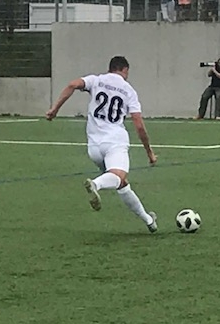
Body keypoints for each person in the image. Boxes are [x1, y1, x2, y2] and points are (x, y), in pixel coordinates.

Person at [46, 56, 159, 233]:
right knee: (118, 176)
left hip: (94, 147)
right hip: (114, 142)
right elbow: (138, 125)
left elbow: (72, 85)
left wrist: (55, 109)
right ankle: (95, 185)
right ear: (125, 70)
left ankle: (149, 220)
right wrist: (149, 152)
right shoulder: (128, 90)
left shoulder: (96, 80)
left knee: (121, 183)